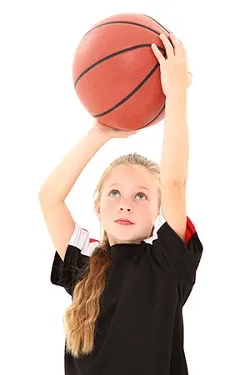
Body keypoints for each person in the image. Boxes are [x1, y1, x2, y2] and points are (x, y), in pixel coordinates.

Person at [39, 32, 203, 375]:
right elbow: (50, 197)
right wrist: (100, 132)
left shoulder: (166, 262)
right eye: (114, 193)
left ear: (158, 212)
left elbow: (174, 180)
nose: (126, 204)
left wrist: (177, 95)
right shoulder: (84, 264)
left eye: (141, 195)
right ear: (97, 206)